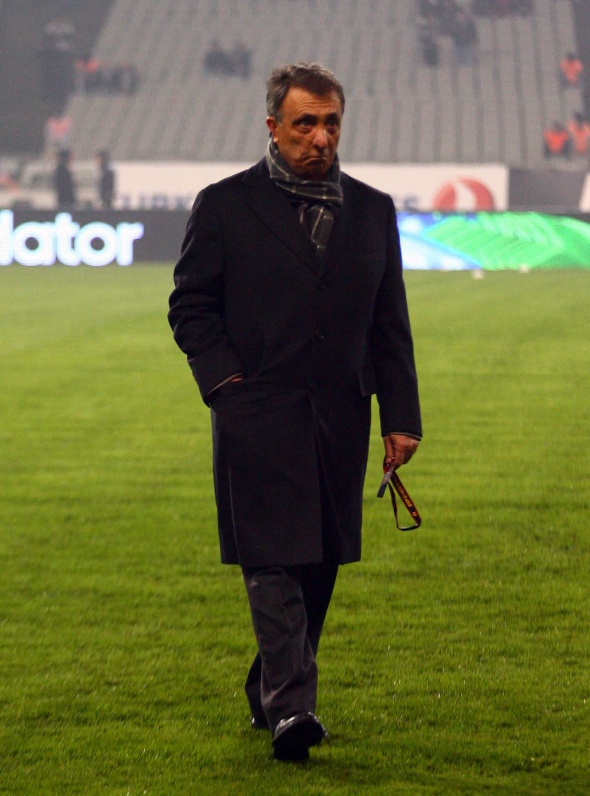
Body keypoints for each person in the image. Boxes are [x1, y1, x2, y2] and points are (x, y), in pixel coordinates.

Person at [167, 63, 422, 762]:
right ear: (273, 126)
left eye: (331, 122)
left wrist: (401, 417)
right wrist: (226, 385)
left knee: (320, 562)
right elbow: (190, 305)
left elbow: (389, 323)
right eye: (305, 123)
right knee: (273, 558)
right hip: (255, 411)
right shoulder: (223, 205)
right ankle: (293, 711)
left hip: (341, 414)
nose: (321, 137)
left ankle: (268, 687)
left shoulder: (373, 210)